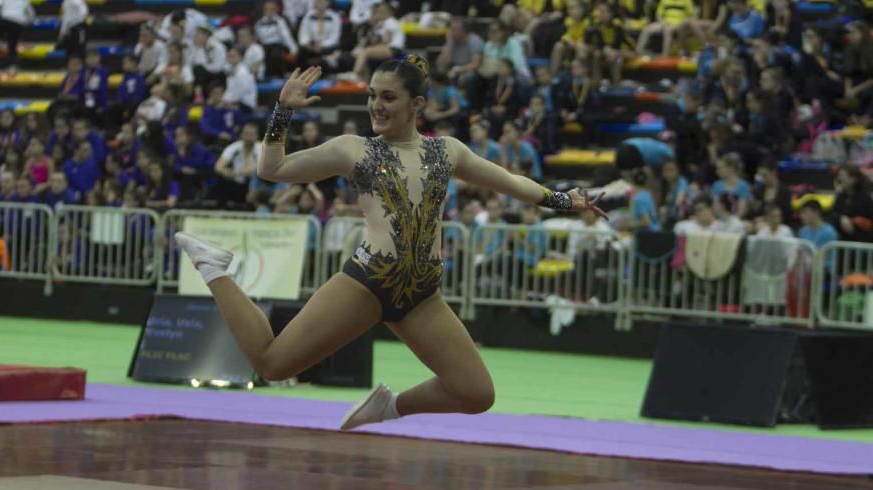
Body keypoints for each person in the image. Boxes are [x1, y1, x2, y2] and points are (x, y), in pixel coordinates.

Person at [174, 58, 605, 431]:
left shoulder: (446, 152)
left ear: (416, 105)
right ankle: (215, 268)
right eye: (372, 95)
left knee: (476, 393)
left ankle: (390, 406)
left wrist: (565, 200)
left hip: (421, 293)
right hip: (368, 282)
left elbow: (510, 182)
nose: (376, 106)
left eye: (389, 97)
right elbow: (272, 169)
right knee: (272, 365)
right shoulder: (353, 150)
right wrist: (282, 112)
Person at [0, 0, 34, 65]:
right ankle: (12, 64)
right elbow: (31, 15)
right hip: (18, 23)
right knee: (12, 46)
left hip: (5, 21)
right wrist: (25, 22)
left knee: (3, 30)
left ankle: (0, 41)